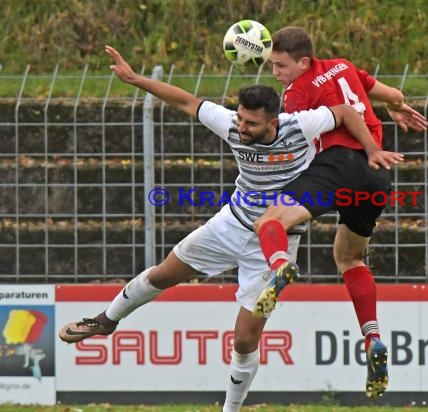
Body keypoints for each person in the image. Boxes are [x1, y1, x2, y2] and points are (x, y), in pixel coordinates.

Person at [58, 46, 404, 412]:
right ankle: (105, 321)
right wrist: (136, 79)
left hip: (272, 240)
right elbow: (187, 102)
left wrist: (371, 149)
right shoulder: (231, 125)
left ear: (274, 121)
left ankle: (231, 409)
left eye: (250, 124)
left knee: (244, 340)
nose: (241, 128)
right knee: (161, 275)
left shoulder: (299, 125)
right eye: (240, 119)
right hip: (229, 224)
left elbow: (347, 111)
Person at [250, 26, 428, 398]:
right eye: (272, 66)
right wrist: (396, 107)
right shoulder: (344, 66)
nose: (275, 73)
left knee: (269, 220)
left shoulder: (297, 92)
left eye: (280, 66)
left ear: (303, 62)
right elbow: (390, 93)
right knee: (349, 257)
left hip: (340, 166)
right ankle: (373, 338)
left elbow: (315, 131)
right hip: (376, 177)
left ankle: (280, 264)